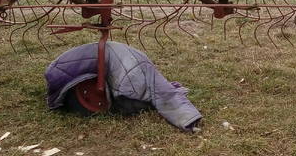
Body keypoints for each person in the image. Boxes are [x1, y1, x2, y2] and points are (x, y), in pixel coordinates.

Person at [44, 41, 202, 132]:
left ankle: (183, 114)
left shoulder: (55, 70)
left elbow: (167, 97)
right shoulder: (133, 70)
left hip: (127, 64)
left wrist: (187, 119)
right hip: (126, 62)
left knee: (150, 96)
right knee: (151, 96)